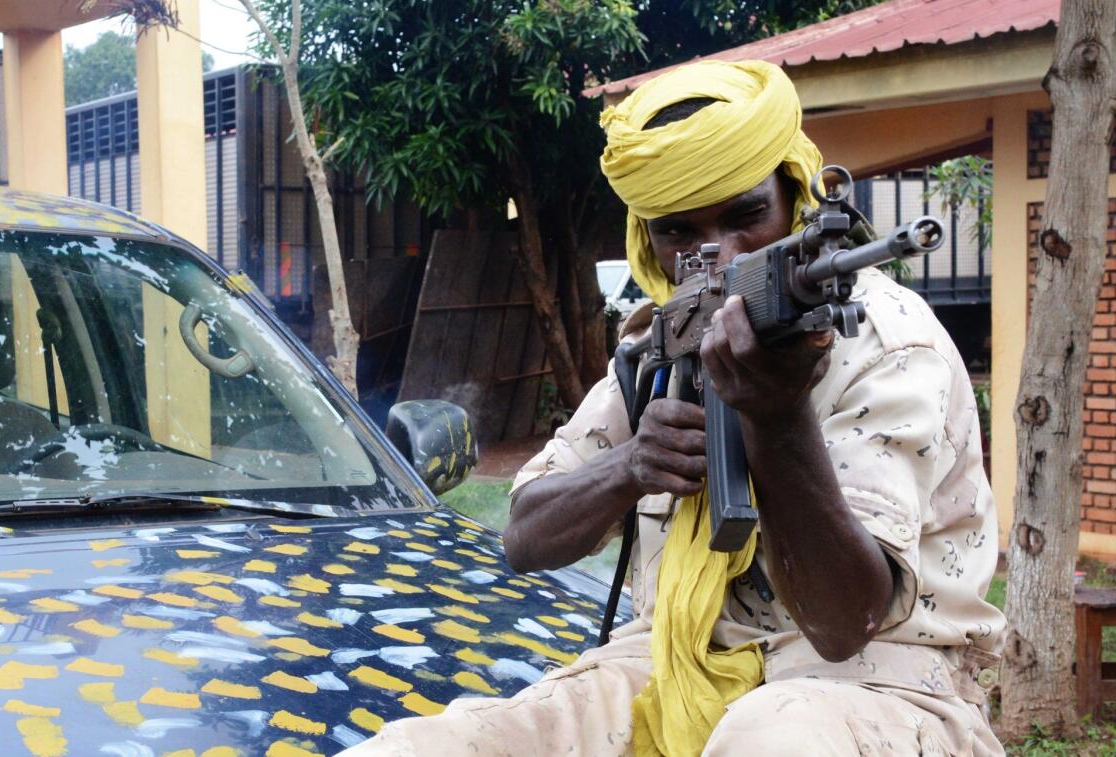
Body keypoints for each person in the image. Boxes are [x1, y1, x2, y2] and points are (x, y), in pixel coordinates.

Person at [343, 59, 1005, 756]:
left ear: (795, 197)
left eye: (747, 215)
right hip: (667, 664)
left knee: (767, 739)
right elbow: (523, 535)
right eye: (680, 233)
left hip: (878, 685)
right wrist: (631, 464)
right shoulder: (655, 349)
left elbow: (847, 622)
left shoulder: (887, 343)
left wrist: (777, 419)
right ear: (648, 240)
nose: (718, 256)